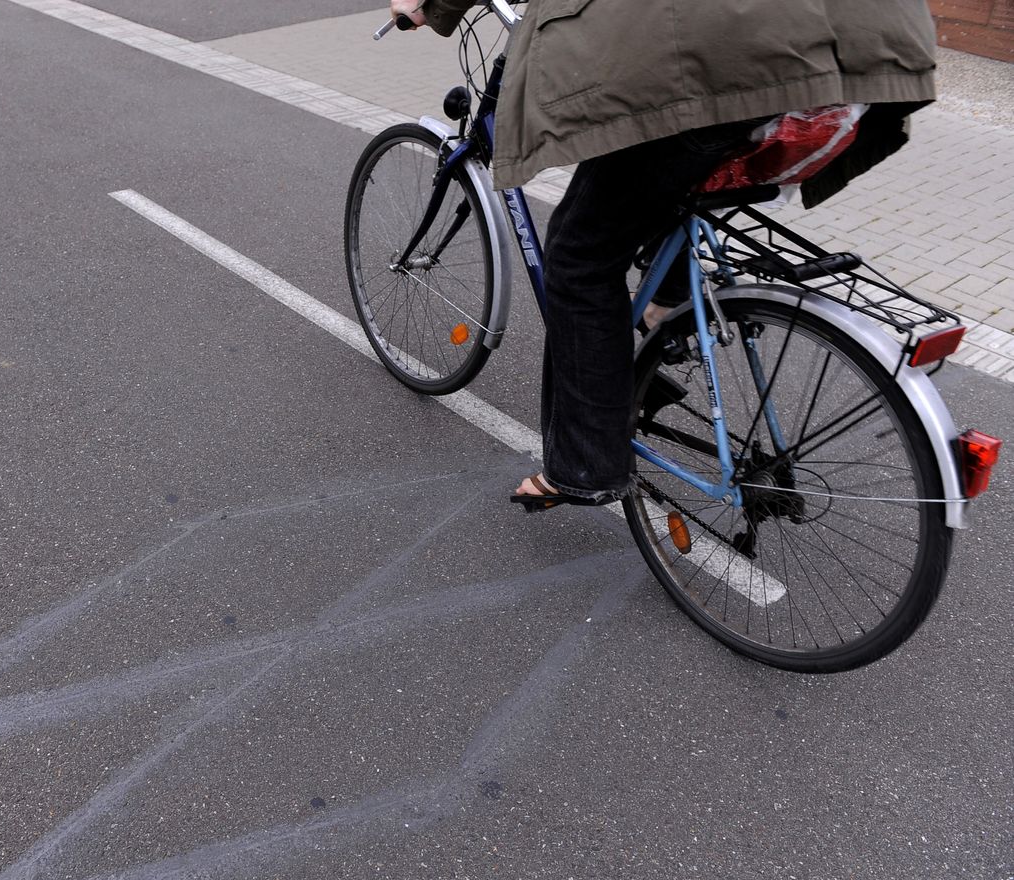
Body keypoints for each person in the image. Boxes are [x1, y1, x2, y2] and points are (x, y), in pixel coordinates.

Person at [387, 0, 938, 510]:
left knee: (579, 255)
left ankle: (586, 466)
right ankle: (669, 306)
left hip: (725, 58)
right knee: (667, 189)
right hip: (847, 76)